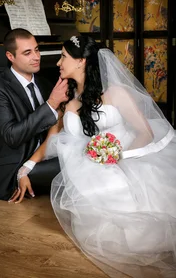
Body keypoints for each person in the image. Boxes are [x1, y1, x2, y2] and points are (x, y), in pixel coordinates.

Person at [25, 35, 176, 277]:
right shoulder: (67, 99)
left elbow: (145, 132)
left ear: (81, 61)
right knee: (98, 193)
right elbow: (53, 138)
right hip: (89, 162)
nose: (57, 63)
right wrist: (27, 166)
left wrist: (119, 157)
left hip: (127, 153)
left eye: (63, 56)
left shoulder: (115, 93)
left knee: (128, 201)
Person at [0, 28, 69, 202]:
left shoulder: (44, 83)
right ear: (10, 57)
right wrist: (51, 104)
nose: (36, 57)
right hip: (18, 162)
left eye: (37, 49)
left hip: (46, 153)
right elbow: (12, 136)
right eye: (27, 53)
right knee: (74, 169)